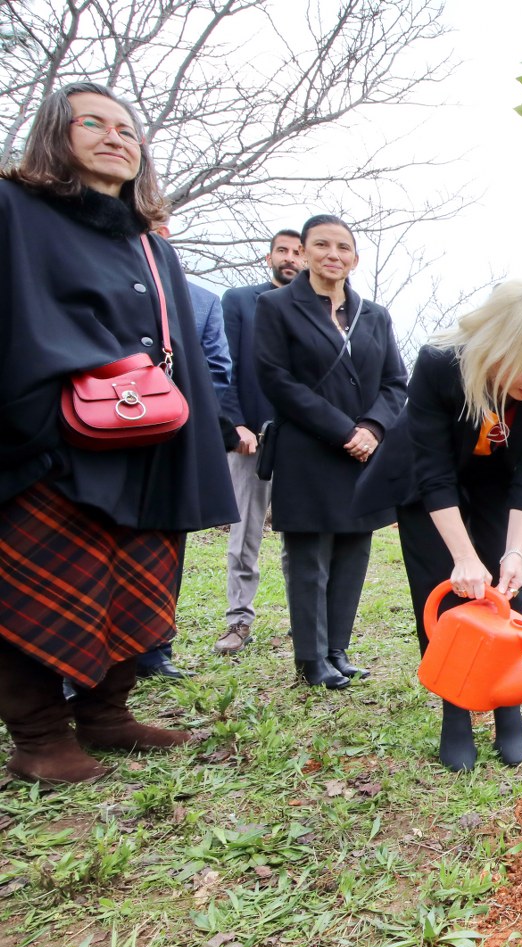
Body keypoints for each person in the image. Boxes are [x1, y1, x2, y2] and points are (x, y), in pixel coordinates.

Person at [0, 81, 236, 783]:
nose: (115, 137)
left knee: (132, 579)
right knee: (35, 583)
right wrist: (37, 414)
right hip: (49, 440)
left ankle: (107, 716)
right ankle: (40, 741)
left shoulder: (150, 244)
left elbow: (180, 355)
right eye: (92, 123)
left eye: (128, 129)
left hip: (144, 445)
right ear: (54, 135)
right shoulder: (14, 209)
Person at [354, 280, 522, 771]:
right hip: (430, 479)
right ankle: (455, 710)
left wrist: (513, 553)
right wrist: (462, 556)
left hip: (500, 480)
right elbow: (433, 473)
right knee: (443, 586)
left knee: (506, 589)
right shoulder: (439, 364)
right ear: (497, 349)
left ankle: (507, 705)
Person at [255, 214, 407, 690]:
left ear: (355, 258)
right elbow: (277, 380)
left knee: (352, 553)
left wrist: (373, 428)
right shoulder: (276, 306)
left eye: (343, 247)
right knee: (309, 559)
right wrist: (344, 430)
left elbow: (395, 383)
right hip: (309, 449)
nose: (333, 254)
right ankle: (310, 658)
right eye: (321, 245)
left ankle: (338, 650)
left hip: (365, 453)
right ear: (303, 252)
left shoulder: (375, 315)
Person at [134, 219, 237, 681]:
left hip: (174, 432)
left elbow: (216, 369)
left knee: (165, 540)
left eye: (160, 224)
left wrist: (181, 411)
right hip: (95, 429)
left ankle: (156, 646)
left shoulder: (199, 299)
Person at [213, 229, 304, 655]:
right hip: (252, 438)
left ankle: (302, 622)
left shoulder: (315, 310)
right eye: (283, 250)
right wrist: (236, 426)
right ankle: (238, 621)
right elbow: (223, 367)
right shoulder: (239, 301)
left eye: (298, 252)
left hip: (300, 442)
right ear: (269, 256)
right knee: (244, 533)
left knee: (300, 535)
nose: (290, 258)